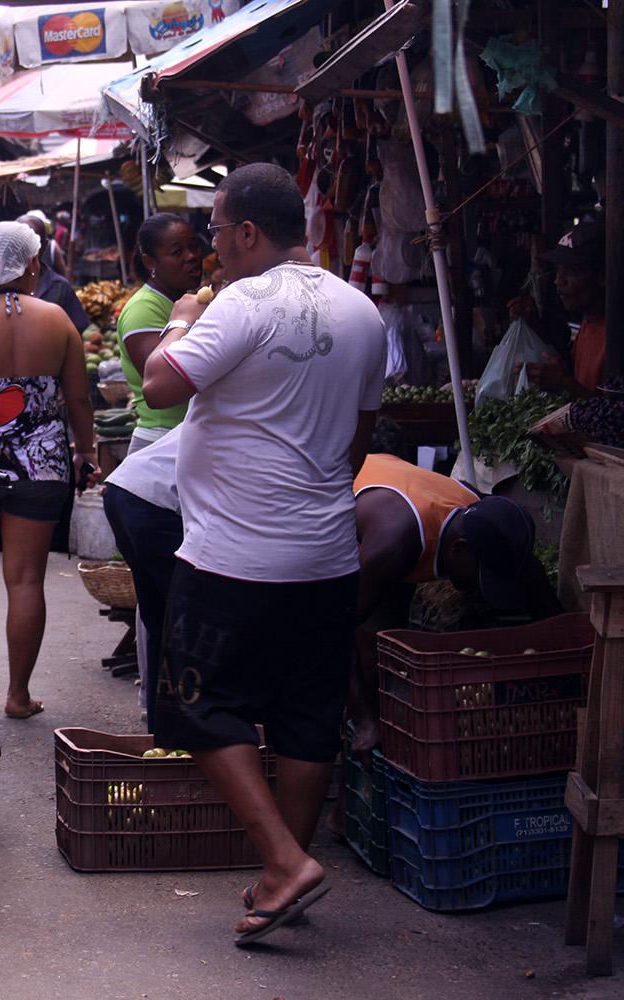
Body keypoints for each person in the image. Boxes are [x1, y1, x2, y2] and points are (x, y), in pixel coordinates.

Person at [141, 163, 386, 945]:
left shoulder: (241, 302)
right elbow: (359, 441)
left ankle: (284, 859)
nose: (212, 251)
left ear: (249, 231)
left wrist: (180, 316)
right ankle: (288, 872)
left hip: (233, 558)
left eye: (215, 232)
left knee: (190, 704)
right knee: (307, 717)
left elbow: (158, 386)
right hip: (325, 555)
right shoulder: (363, 311)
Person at [0, 221, 94, 719]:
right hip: (43, 463)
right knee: (26, 580)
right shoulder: (58, 321)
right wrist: (85, 450)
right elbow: (78, 399)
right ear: (31, 264)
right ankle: (19, 695)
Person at [346, 454, 561, 750]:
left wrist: (564, 661)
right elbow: (328, 631)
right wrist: (364, 721)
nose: (482, 591)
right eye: (482, 578)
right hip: (325, 517)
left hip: (390, 489)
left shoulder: (479, 513)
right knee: (364, 648)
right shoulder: (394, 543)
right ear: (459, 551)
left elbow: (534, 581)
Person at [100, 425, 183, 730]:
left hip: (125, 490)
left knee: (160, 620)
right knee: (182, 622)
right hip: (152, 502)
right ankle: (178, 727)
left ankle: (162, 726)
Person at [116, 213, 204, 453]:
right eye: (177, 252)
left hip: (187, 436)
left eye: (194, 247)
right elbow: (164, 384)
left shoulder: (186, 300)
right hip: (162, 438)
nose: (192, 257)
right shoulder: (144, 309)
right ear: (149, 262)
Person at [518, 221, 605, 398]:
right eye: (559, 271)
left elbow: (613, 417)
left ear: (602, 277)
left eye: (571, 271)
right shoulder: (588, 323)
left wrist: (563, 382)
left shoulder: (614, 336)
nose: (559, 280)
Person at [0, 216, 89, 332]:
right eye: (19, 242)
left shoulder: (59, 287)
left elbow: (78, 330)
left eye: (32, 242)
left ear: (44, 246)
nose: (24, 249)